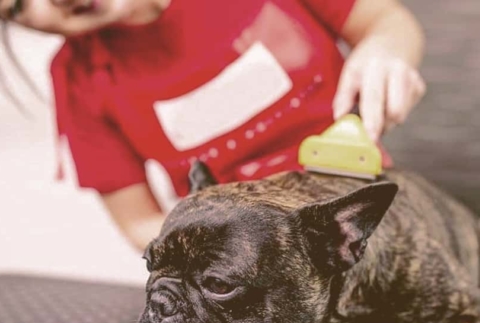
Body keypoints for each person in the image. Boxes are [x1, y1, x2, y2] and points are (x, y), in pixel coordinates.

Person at [1, 0, 426, 252]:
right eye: (18, 4)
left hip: (365, 216)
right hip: (250, 264)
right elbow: (138, 224)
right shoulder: (77, 78)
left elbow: (384, 20)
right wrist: (230, 246)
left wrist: (387, 48)